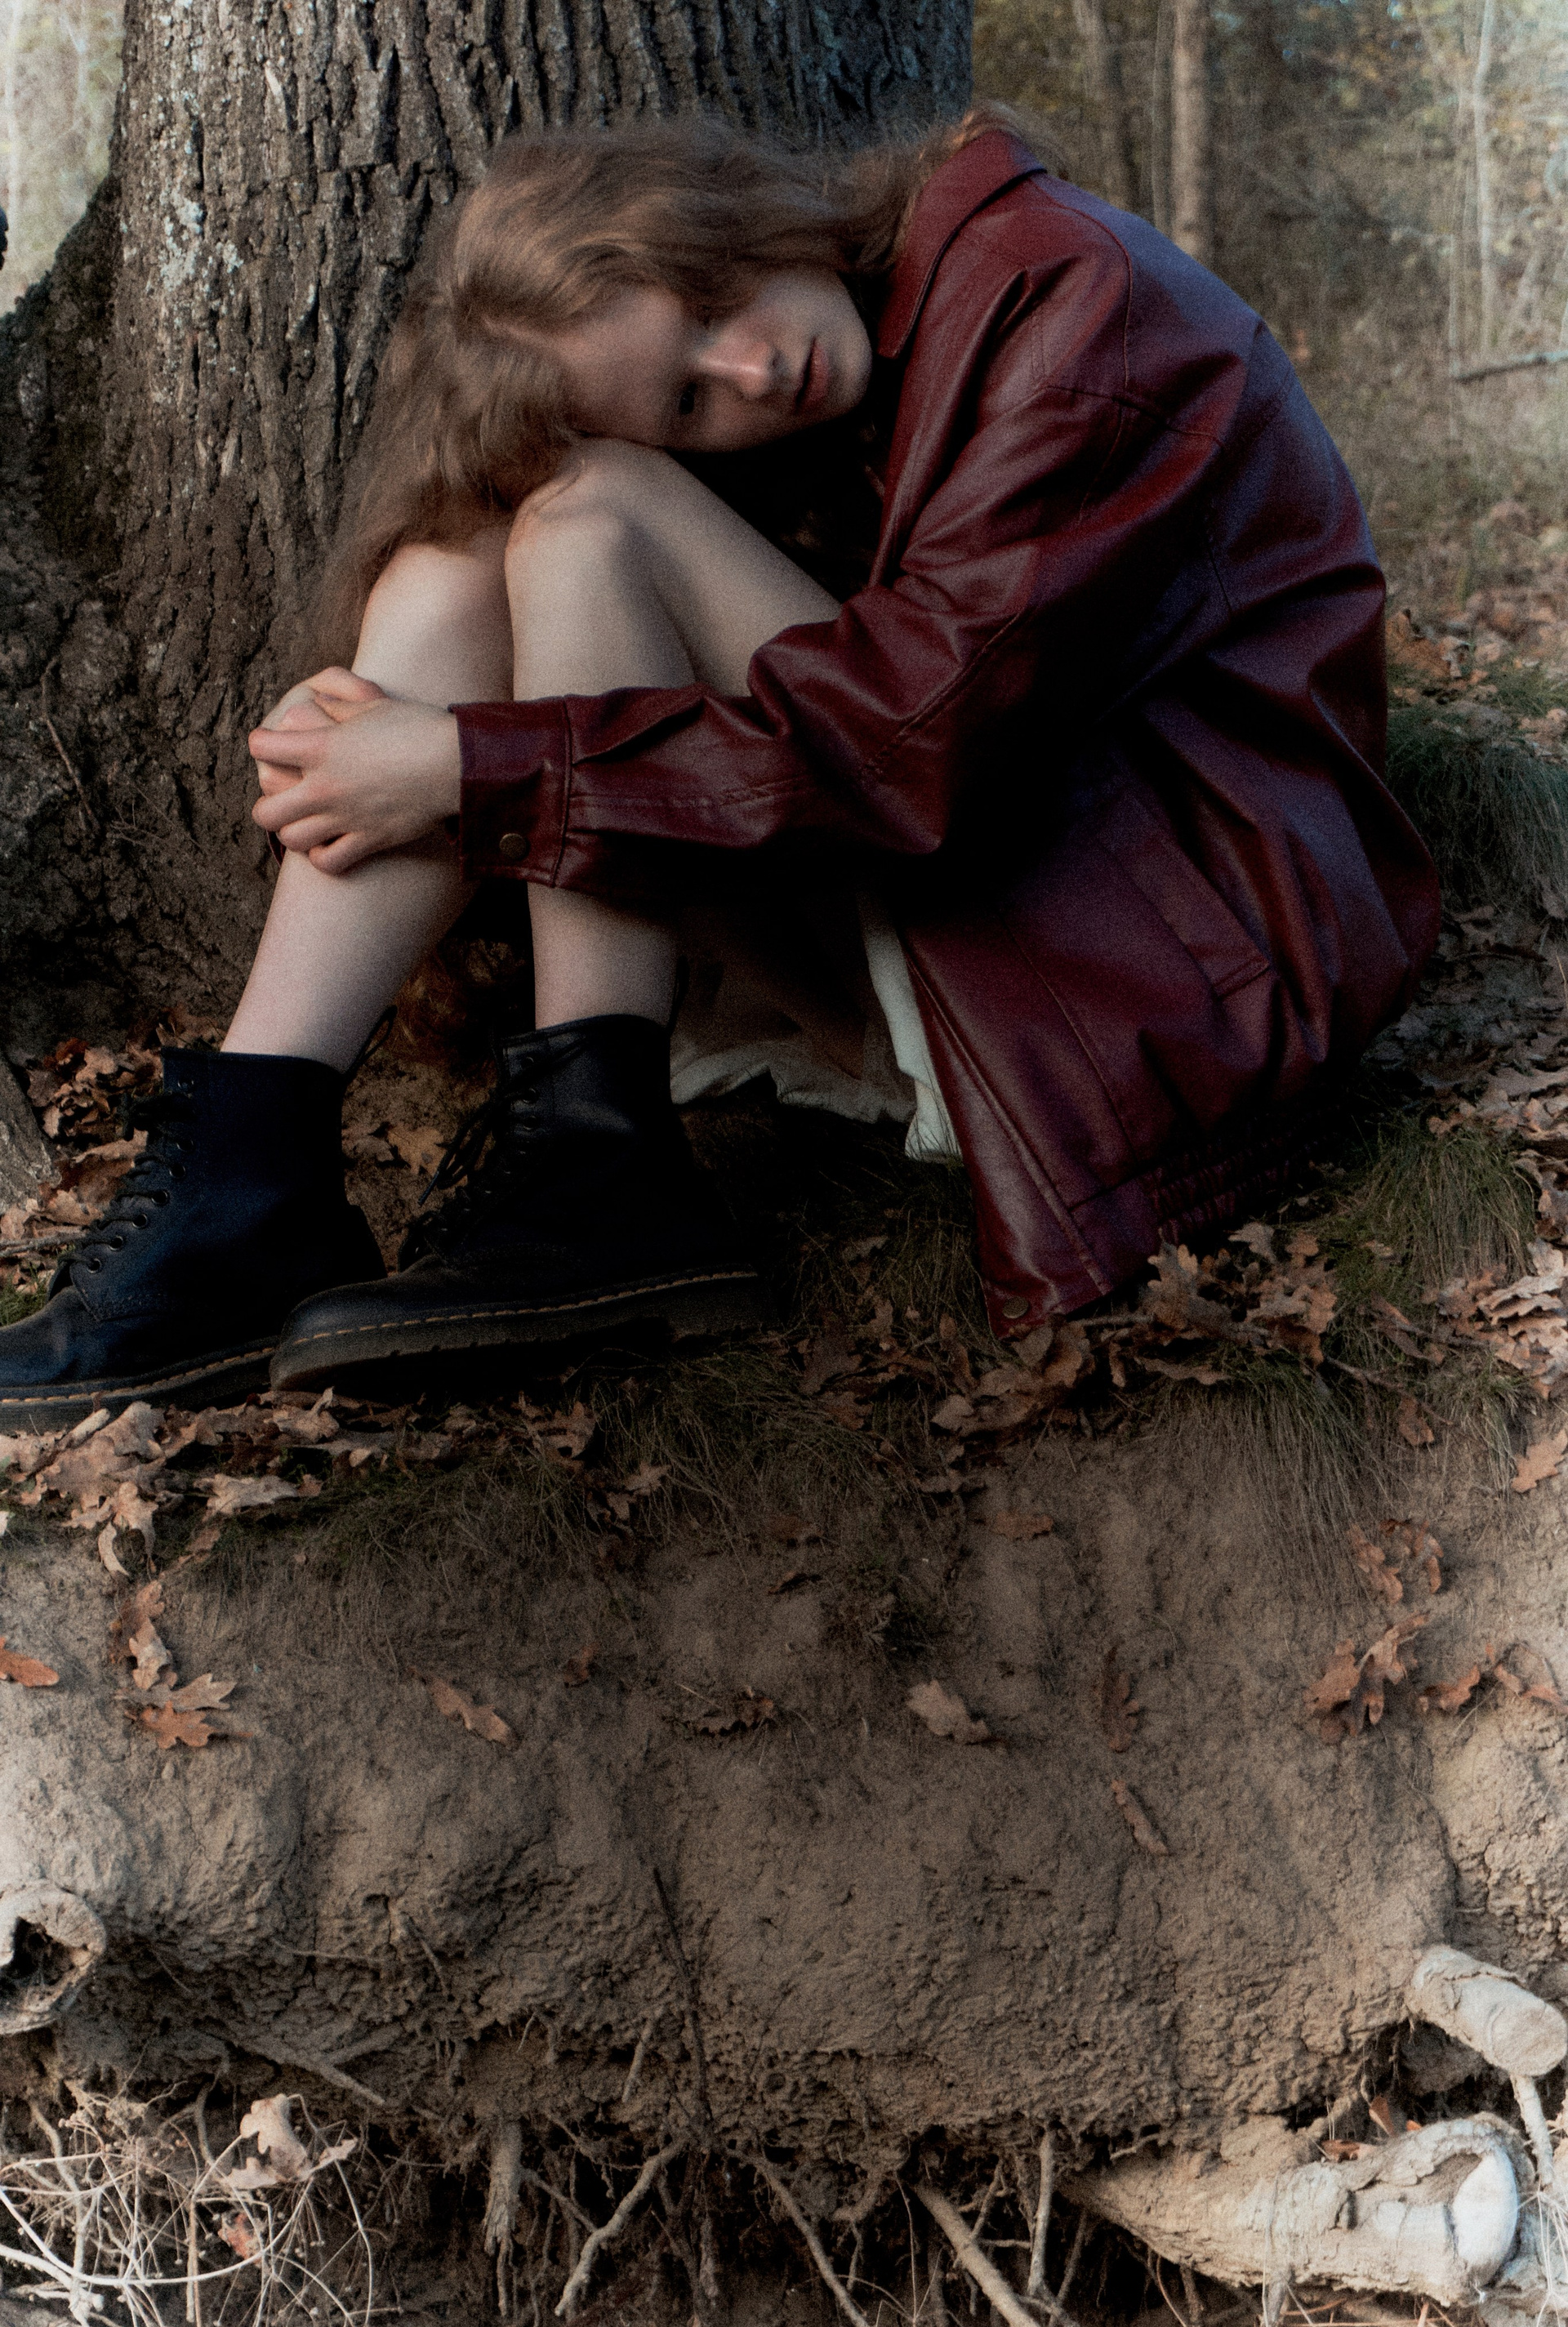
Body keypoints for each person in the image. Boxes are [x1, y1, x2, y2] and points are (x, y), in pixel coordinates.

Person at [0, 107, 1439, 1425]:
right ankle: (253, 1172)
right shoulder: (870, 357)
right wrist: (425, 723)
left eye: (707, 307)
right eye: (689, 407)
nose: (752, 370)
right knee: (458, 561)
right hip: (1012, 911)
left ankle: (597, 1167)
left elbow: (914, 752)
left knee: (596, 514)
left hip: (1181, 969)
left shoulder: (1064, 300)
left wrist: (463, 765)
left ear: (723, 216)